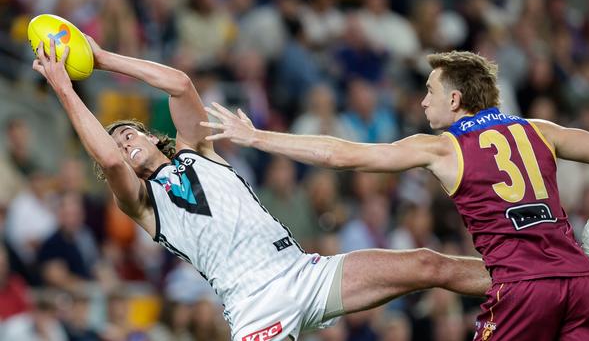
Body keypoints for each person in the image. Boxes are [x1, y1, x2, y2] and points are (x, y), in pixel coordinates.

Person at [32, 38, 492, 340]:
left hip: (302, 271)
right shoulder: (141, 203)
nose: (123, 142)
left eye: (129, 132)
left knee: (429, 263)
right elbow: (108, 160)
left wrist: (102, 58)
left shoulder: (200, 150)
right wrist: (64, 87)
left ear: (154, 136)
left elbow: (180, 84)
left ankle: (530, 280)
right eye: (114, 139)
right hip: (253, 305)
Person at [201, 51, 589, 340]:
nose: (423, 101)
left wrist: (257, 137)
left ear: (454, 97)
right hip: (581, 283)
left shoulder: (444, 147)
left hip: (521, 291)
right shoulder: (542, 130)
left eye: (429, 91)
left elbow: (338, 155)